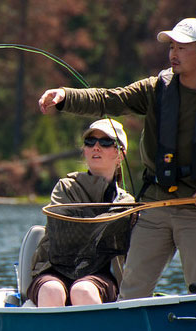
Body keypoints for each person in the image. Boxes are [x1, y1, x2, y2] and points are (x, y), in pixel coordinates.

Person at [37, 17, 196, 300]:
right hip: (153, 206)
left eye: (182, 48)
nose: (173, 54)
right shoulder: (154, 90)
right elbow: (109, 99)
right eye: (172, 47)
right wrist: (65, 97)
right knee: (131, 294)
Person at [27, 118, 135, 307]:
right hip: (53, 269)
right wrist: (110, 222)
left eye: (106, 142)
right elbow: (66, 232)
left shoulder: (127, 202)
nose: (96, 147)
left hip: (101, 275)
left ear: (120, 155)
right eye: (90, 142)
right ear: (84, 150)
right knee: (51, 291)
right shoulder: (65, 187)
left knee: (83, 291)